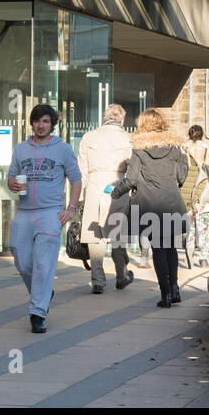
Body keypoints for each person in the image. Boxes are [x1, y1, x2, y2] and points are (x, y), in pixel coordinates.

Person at [5, 104, 82, 333]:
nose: (41, 125)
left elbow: (76, 180)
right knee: (20, 257)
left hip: (50, 213)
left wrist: (71, 209)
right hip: (25, 212)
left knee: (43, 264)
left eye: (46, 121)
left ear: (52, 125)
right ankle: (44, 293)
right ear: (32, 124)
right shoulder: (20, 149)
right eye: (37, 121)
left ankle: (38, 312)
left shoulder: (63, 150)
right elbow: (11, 179)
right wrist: (12, 184)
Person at [112, 109, 188, 308]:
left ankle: (166, 295)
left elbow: (132, 179)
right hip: (171, 203)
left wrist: (116, 192)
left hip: (150, 205)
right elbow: (181, 175)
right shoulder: (175, 147)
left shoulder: (139, 148)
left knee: (158, 250)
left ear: (143, 124)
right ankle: (174, 288)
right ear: (162, 123)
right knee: (170, 247)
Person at [77, 104, 135, 293]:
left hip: (94, 185)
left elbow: (81, 170)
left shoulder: (89, 137)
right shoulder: (128, 139)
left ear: (105, 117)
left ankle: (98, 281)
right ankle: (121, 275)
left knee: (96, 235)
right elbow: (133, 169)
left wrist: (77, 197)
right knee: (117, 232)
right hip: (118, 184)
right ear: (122, 119)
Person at [182, 126, 209, 268]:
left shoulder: (183, 148)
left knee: (189, 226)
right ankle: (203, 258)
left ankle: (189, 253)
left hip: (185, 190)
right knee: (203, 226)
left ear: (189, 134)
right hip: (202, 188)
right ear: (202, 135)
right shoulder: (207, 148)